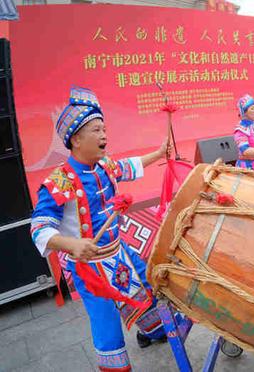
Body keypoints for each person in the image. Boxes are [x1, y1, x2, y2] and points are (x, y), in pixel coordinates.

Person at [30, 87, 173, 371]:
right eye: (96, 129)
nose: (104, 134)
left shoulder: (105, 166)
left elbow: (128, 166)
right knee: (107, 323)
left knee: (146, 291)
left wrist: (158, 153)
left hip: (119, 252)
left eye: (104, 128)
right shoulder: (61, 180)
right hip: (90, 269)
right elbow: (39, 227)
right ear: (76, 139)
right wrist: (71, 245)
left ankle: (154, 332)